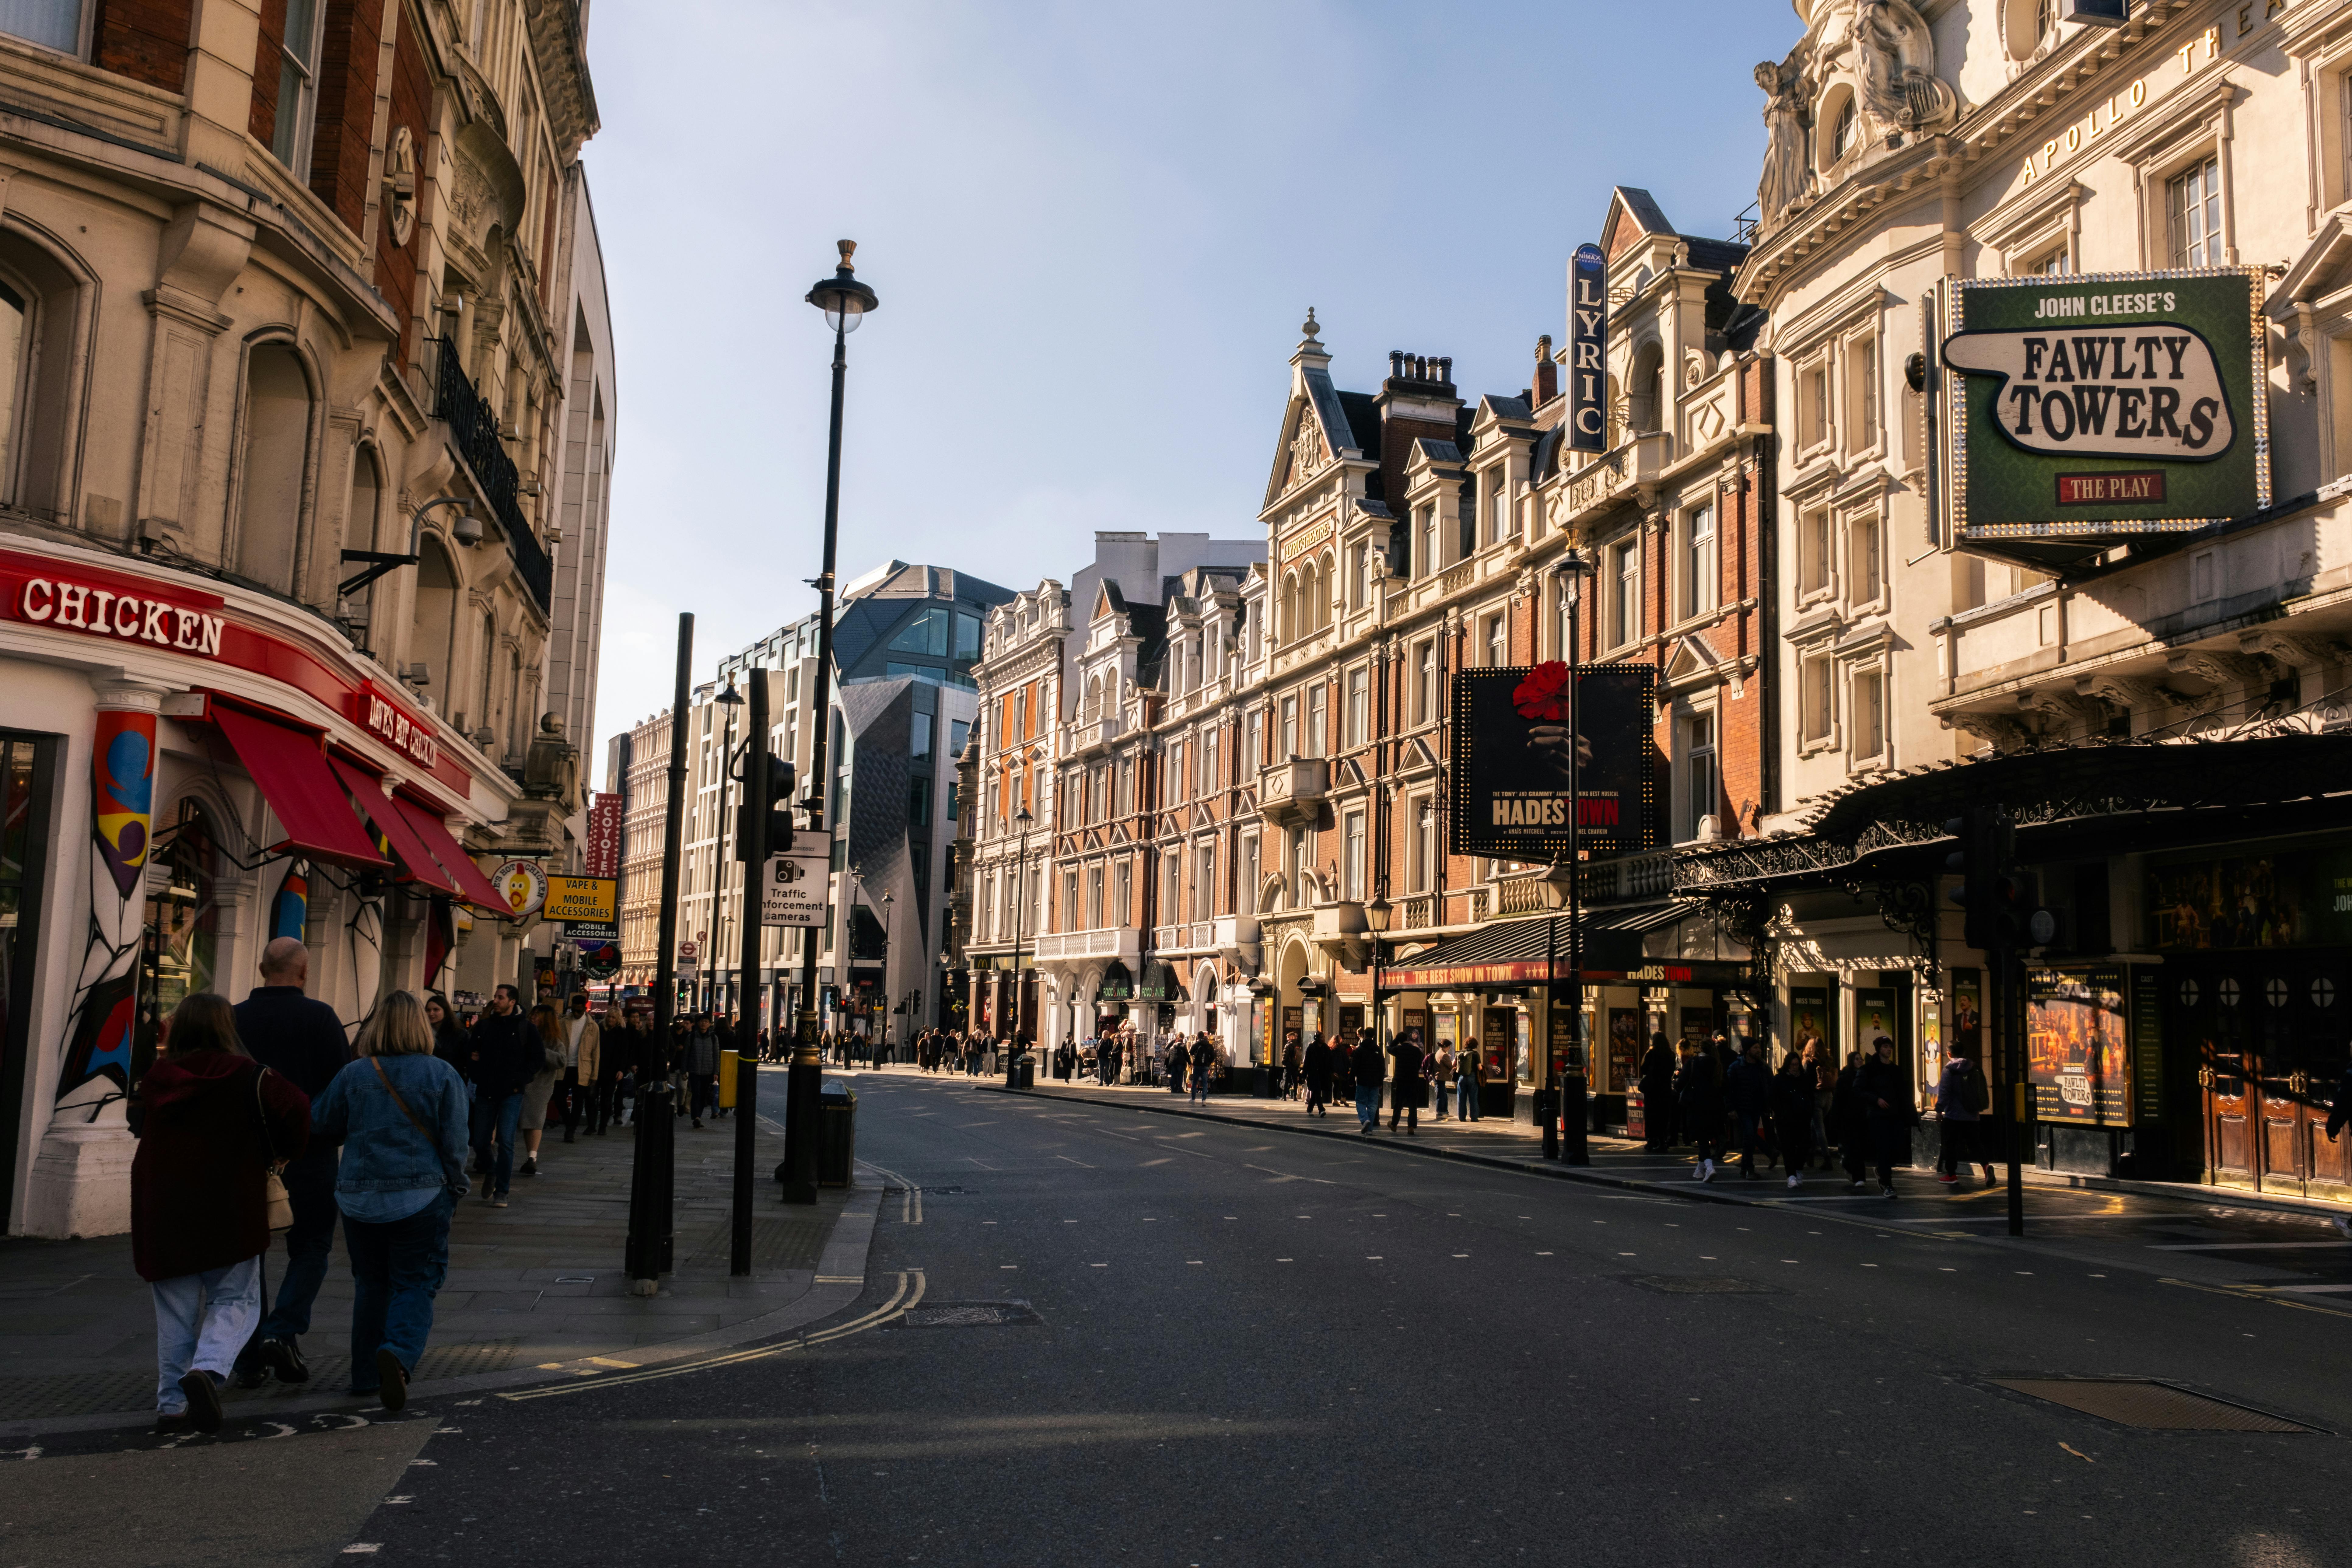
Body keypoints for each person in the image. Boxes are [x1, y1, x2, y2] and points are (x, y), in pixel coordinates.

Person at [131, 992, 311, 1434]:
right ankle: (208, 1371)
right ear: (227, 1028)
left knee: (173, 1311)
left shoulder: (157, 1079)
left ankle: (172, 1406)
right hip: (229, 1203)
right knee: (236, 1299)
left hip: (165, 1206)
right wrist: (284, 1154)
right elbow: (299, 1110)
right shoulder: (251, 1076)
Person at [308, 990, 469, 1410]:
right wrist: (457, 1188)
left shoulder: (354, 1074)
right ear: (421, 1026)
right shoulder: (442, 1074)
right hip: (421, 1196)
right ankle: (397, 1354)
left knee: (371, 1284)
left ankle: (365, 1373)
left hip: (359, 1198)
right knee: (415, 1281)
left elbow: (322, 1121)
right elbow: (455, 1144)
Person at [229, 936, 349, 1388]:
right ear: (303, 973)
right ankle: (282, 1331)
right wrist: (329, 1135)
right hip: (309, 1151)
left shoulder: (235, 1019)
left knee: (249, 1254)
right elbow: (339, 1088)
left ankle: (248, 1354)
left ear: (262, 969)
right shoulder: (320, 1018)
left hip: (247, 1154)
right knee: (312, 1245)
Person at [466, 985, 535, 1205]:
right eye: (495, 997)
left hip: (512, 1093)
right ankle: (493, 1170)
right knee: (480, 1142)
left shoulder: (526, 1028)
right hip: (486, 1090)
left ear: (512, 1002)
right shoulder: (484, 1027)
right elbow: (470, 1052)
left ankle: (502, 1191)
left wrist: (522, 1078)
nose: (496, 1001)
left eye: (500, 998)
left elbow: (538, 1058)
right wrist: (476, 1071)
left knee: (506, 1140)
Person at [1856, 1035, 1914, 1198]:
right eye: (1885, 1047)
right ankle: (1888, 1185)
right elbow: (1859, 1090)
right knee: (1884, 1150)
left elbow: (1903, 1093)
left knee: (1897, 1149)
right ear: (1879, 1049)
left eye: (1890, 1047)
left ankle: (1881, 1171)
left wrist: (1908, 1114)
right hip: (1878, 1116)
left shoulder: (1896, 1070)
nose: (1888, 1050)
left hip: (1896, 1115)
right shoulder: (1869, 1070)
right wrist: (1876, 1099)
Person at [1934, 1041, 1996, 1186]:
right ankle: (1986, 1167)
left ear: (1949, 1054)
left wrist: (1939, 1110)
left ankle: (1951, 1175)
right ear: (1964, 1052)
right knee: (1975, 1144)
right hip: (1972, 1115)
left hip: (1953, 1116)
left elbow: (1944, 1092)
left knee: (1951, 1145)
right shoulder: (1974, 1067)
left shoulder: (1949, 1069)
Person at [1723, 1037, 1773, 1180]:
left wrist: (1769, 1103)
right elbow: (1729, 1089)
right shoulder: (1736, 1067)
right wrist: (1731, 1108)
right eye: (1755, 1048)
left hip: (1756, 1107)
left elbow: (1769, 1085)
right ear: (1748, 1051)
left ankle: (1745, 1168)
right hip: (1742, 1107)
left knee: (1749, 1137)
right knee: (1750, 1134)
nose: (1759, 1051)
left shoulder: (1762, 1067)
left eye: (1759, 1048)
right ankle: (1750, 1169)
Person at [557, 992, 601, 1144]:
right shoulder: (563, 1022)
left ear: (585, 1009)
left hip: (583, 1068)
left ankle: (571, 1131)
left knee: (578, 1102)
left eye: (579, 1011)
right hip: (564, 1067)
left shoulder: (592, 1026)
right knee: (558, 1097)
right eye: (574, 1010)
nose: (576, 1013)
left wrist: (594, 1076)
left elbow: (596, 1052)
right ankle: (570, 1122)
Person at [1676, 1038, 1723, 1181]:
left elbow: (1681, 1083)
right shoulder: (1717, 1064)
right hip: (1714, 1104)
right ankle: (1699, 1170)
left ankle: (1710, 1168)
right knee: (1706, 1136)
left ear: (1700, 1049)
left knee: (1700, 1137)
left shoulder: (1693, 1062)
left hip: (1696, 1104)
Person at [1770, 1050, 1817, 1190]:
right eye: (1792, 1065)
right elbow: (1773, 1098)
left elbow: (1811, 1096)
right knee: (1788, 1147)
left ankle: (1798, 1170)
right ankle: (1791, 1175)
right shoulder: (1780, 1079)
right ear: (1787, 1065)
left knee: (1804, 1144)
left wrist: (1809, 1111)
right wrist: (1780, 1112)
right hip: (1786, 1119)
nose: (1795, 1067)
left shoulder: (1804, 1079)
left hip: (1802, 1118)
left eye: (1797, 1065)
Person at [1638, 1031, 1678, 1152]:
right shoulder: (1671, 1054)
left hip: (1652, 1089)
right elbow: (1671, 1071)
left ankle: (1651, 1140)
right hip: (1665, 1089)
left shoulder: (1652, 1053)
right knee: (1663, 1115)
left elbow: (1643, 1069)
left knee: (1651, 1115)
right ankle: (1662, 1140)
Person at [1386, 1027, 1426, 1135]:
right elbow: (1419, 1064)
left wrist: (1396, 1040)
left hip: (1401, 1080)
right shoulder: (1416, 1050)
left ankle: (1394, 1124)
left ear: (1399, 1041)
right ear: (1408, 1039)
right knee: (1413, 1104)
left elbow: (1389, 1049)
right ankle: (1411, 1127)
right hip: (1413, 1080)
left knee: (1399, 1103)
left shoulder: (1399, 1049)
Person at [687, 1013, 721, 1128]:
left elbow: (716, 1056)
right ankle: (696, 1117)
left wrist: (716, 1072)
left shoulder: (713, 1038)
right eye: (702, 1021)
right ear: (698, 1023)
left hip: (708, 1071)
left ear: (709, 1024)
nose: (704, 1023)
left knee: (703, 1096)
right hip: (694, 1071)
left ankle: (698, 1117)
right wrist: (684, 1071)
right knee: (696, 1094)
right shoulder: (692, 1037)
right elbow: (686, 1055)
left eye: (706, 1021)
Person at [1349, 1031, 1386, 1133]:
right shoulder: (1378, 1050)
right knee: (1373, 1106)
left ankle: (1365, 1120)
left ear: (1365, 1035)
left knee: (1360, 1102)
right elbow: (1382, 1068)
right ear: (1374, 1036)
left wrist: (1351, 1080)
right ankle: (1370, 1130)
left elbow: (1355, 1067)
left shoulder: (1360, 1050)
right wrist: (1380, 1082)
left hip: (1362, 1081)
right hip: (1375, 1082)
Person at [1302, 1031, 1333, 1117]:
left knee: (1316, 1092)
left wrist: (1333, 1071)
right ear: (1317, 1038)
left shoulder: (1326, 1048)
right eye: (1321, 1038)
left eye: (1324, 1037)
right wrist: (1304, 1075)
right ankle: (1321, 1110)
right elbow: (1307, 1063)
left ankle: (1310, 1109)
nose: (1323, 1039)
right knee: (1317, 1091)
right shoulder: (1311, 1048)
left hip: (1323, 1074)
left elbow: (1330, 1061)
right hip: (1313, 1074)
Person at [1455, 1042, 1483, 1122]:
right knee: (1473, 1098)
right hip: (1472, 1078)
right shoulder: (1475, 1054)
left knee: (1461, 1098)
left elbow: (1453, 1063)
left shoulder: (1460, 1053)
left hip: (1461, 1078)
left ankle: (1462, 1117)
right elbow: (1480, 1068)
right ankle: (1474, 1118)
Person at [1428, 1042, 1453, 1122]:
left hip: (1437, 1077)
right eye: (1449, 1047)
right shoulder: (1444, 1055)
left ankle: (1444, 1112)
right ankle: (1440, 1113)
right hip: (1441, 1077)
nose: (1449, 1049)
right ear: (1446, 1046)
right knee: (1442, 1095)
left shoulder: (1439, 1052)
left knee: (1443, 1094)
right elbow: (1451, 1066)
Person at [1188, 1034, 1214, 1104]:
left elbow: (1191, 1052)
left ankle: (1193, 1099)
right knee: (1205, 1083)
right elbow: (1213, 1056)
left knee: (1195, 1082)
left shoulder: (1196, 1044)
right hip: (1206, 1066)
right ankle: (1204, 1100)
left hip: (1197, 1065)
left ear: (1198, 1037)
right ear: (1204, 1037)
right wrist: (1209, 1063)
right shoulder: (1209, 1045)